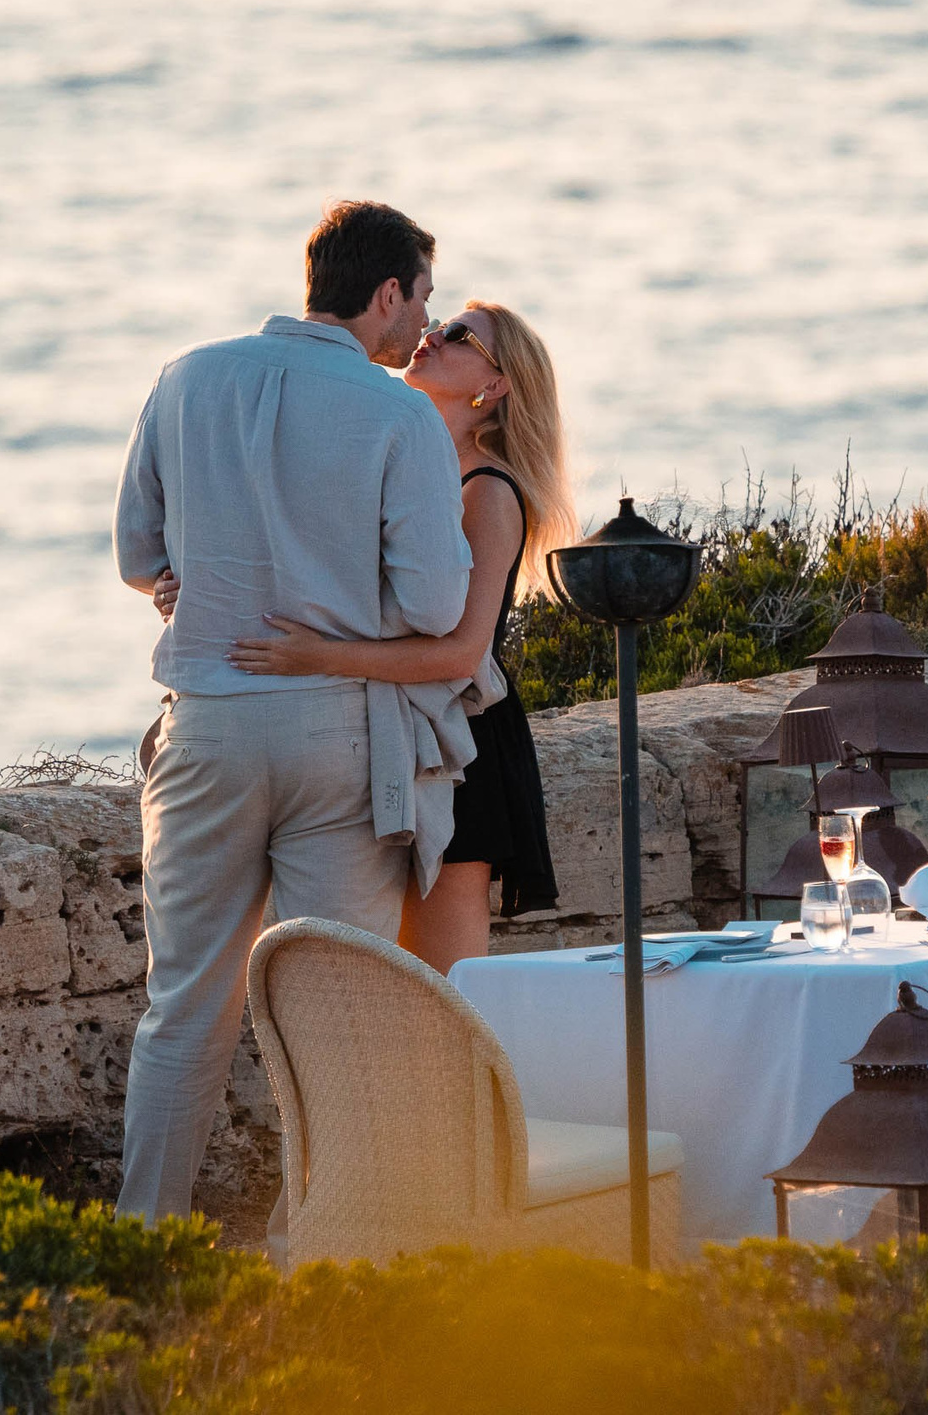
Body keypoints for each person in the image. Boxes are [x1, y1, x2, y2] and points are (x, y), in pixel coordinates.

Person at [110, 200, 478, 1224]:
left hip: (208, 727)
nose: (420, 332)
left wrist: (197, 582)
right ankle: (314, 1257)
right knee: (333, 1018)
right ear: (386, 292)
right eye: (421, 303)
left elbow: (140, 561)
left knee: (181, 1013)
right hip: (337, 731)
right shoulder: (396, 413)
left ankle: (141, 1253)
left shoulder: (185, 379)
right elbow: (437, 608)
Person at [225, 300, 574, 970]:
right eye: (440, 321)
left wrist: (315, 657)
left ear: (494, 386)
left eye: (460, 337)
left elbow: (460, 653)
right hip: (389, 733)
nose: (432, 335)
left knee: (438, 991)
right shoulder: (407, 466)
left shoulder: (486, 492)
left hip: (459, 744)